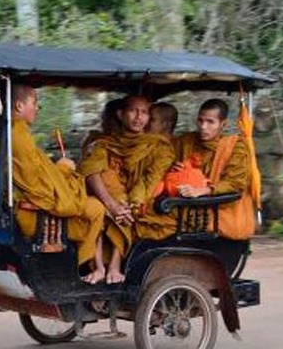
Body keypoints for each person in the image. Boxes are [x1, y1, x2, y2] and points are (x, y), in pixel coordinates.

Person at [78, 95, 175, 283]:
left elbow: (149, 179)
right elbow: (91, 171)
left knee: (124, 205)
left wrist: (132, 203)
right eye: (133, 111)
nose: (139, 117)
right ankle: (97, 267)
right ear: (121, 114)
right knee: (94, 206)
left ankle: (114, 266)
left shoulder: (159, 147)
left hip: (139, 200)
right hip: (106, 199)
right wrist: (110, 203)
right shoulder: (104, 143)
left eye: (144, 112)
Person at [10, 84, 105, 273]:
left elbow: (34, 172)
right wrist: (63, 170)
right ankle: (79, 268)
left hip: (25, 203)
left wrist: (58, 170)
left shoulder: (11, 131)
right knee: (97, 210)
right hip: (29, 213)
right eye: (35, 102)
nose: (37, 108)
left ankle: (91, 266)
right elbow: (37, 187)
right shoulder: (18, 135)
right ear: (20, 106)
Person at [175, 98, 255, 239]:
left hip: (218, 210)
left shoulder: (234, 146)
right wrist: (175, 168)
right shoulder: (186, 141)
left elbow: (235, 183)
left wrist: (204, 190)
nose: (203, 127)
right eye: (200, 120)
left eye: (210, 122)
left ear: (223, 124)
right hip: (184, 206)